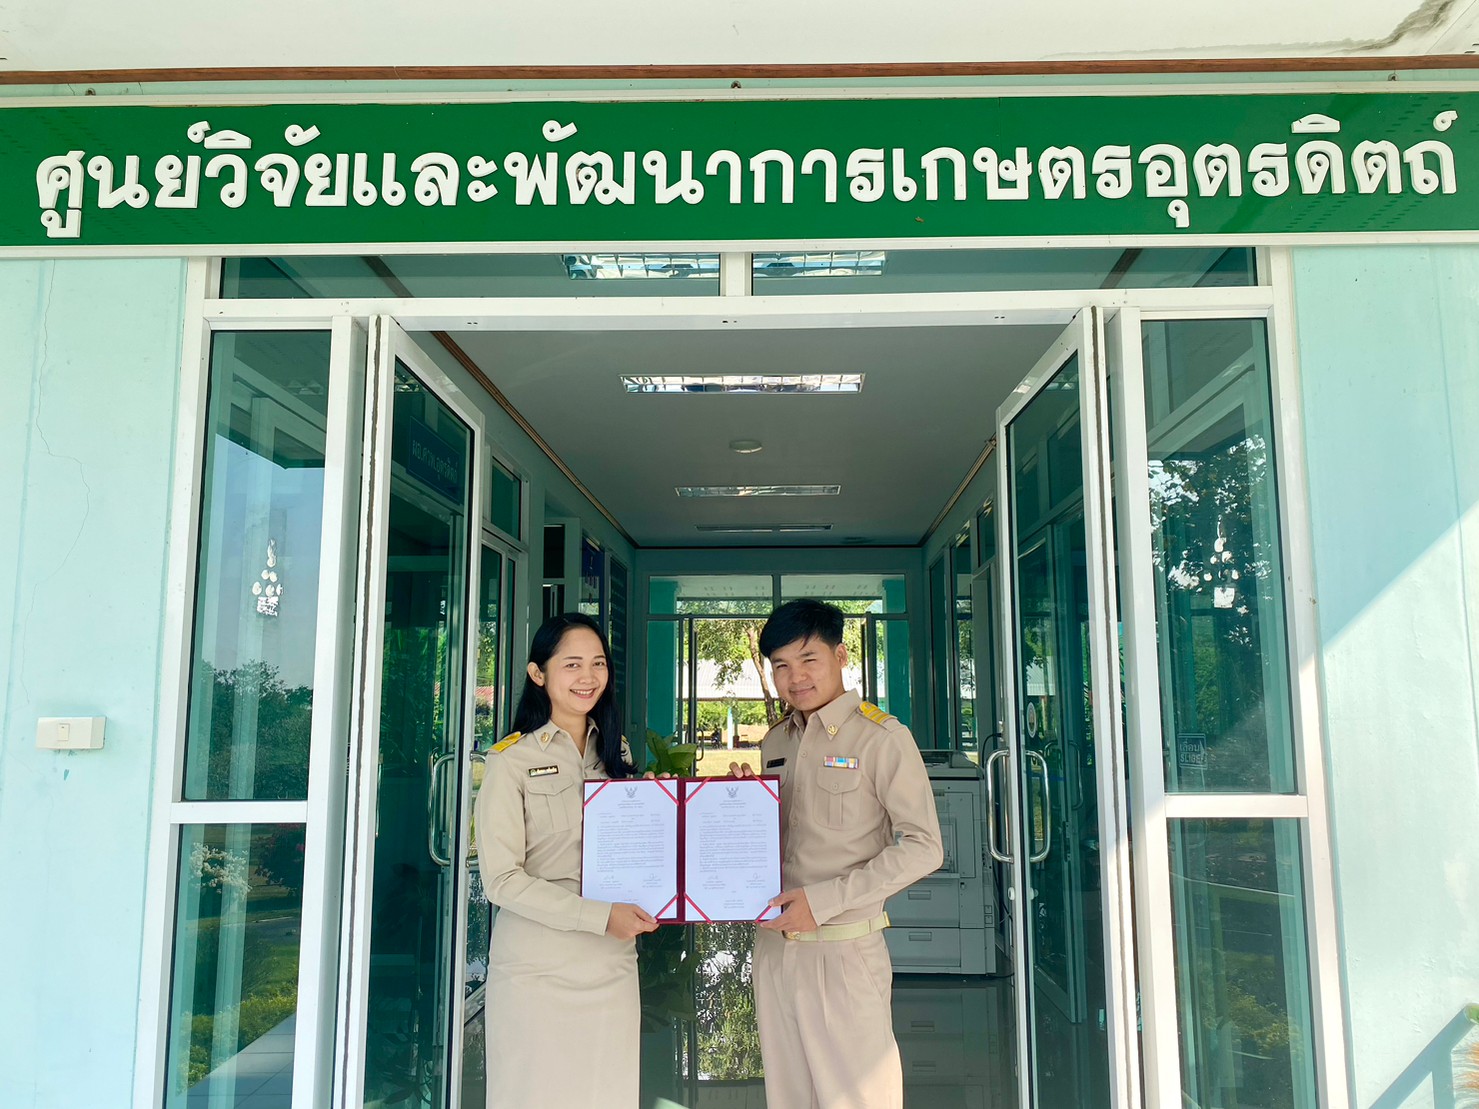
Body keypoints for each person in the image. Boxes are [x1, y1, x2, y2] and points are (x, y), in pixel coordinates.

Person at [734, 598, 943, 1109]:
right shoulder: (776, 741)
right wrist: (738, 805)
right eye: (781, 665)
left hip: (843, 951)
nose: (795, 677)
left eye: (808, 659)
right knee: (789, 1095)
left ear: (841, 655)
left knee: (858, 1097)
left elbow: (924, 847)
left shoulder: (882, 738)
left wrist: (824, 901)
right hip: (774, 950)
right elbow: (779, 838)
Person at [475, 612, 658, 1108]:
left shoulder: (615, 753)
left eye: (598, 663)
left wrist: (672, 808)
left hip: (610, 963)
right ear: (538, 674)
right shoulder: (510, 760)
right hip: (537, 969)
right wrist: (599, 917)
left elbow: (637, 848)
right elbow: (501, 880)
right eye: (572, 664)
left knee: (607, 1095)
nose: (588, 676)